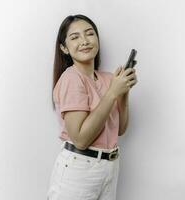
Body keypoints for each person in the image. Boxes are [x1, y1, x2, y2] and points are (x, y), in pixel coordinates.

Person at [47, 14, 137, 200]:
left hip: (110, 167)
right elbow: (80, 139)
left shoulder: (106, 78)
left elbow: (120, 129)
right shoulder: (71, 78)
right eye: (75, 37)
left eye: (90, 34)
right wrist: (112, 92)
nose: (85, 41)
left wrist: (123, 92)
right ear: (64, 48)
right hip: (80, 169)